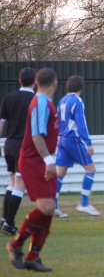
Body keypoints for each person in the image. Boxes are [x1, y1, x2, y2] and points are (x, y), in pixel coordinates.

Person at [6, 68, 59, 272]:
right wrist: (48, 160)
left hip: (42, 159)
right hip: (33, 160)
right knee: (46, 208)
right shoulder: (40, 103)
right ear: (54, 83)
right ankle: (16, 245)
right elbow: (37, 136)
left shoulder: (45, 103)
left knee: (49, 210)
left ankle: (33, 257)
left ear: (37, 83)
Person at [54, 76, 101, 217]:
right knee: (91, 170)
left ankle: (54, 206)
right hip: (72, 139)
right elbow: (81, 124)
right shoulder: (77, 101)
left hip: (61, 139)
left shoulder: (62, 100)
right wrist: (88, 143)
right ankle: (84, 204)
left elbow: (57, 122)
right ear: (81, 87)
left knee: (60, 174)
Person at [0, 67, 36, 236]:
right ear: (34, 82)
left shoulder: (9, 98)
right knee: (19, 186)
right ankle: (9, 223)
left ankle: (4, 220)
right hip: (24, 146)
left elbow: (2, 124)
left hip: (9, 144)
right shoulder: (35, 100)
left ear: (19, 80)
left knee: (12, 182)